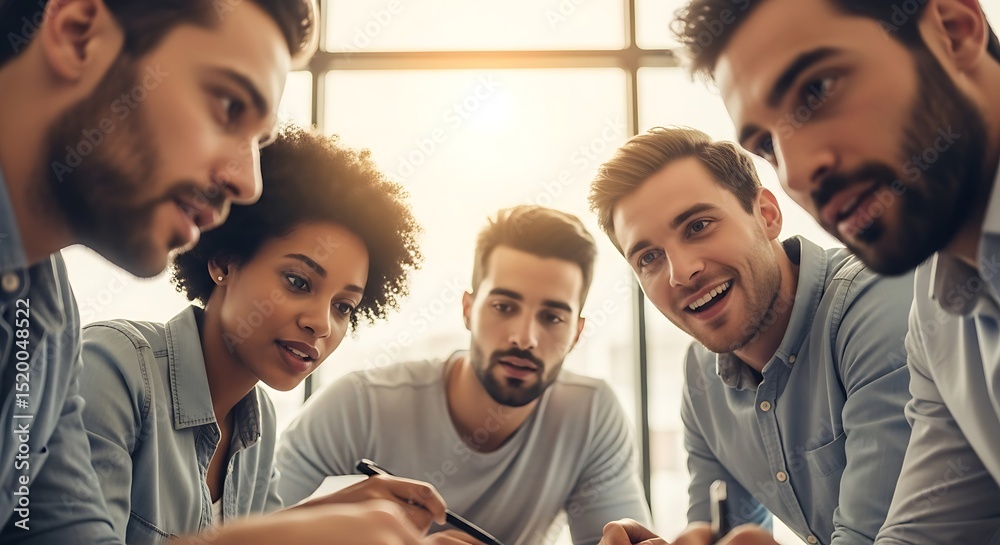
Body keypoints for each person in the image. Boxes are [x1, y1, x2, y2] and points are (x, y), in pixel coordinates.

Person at [0, 1, 428, 543]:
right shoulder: (110, 364)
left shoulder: (50, 319)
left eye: (344, 305)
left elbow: (61, 532)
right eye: (228, 106)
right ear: (81, 34)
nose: (248, 183)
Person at [656, 0, 1000, 543]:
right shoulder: (938, 314)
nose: (797, 170)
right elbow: (924, 534)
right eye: (767, 145)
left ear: (954, 30)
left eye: (816, 91)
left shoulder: (877, 305)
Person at [78, 125, 447, 543]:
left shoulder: (258, 422)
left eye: (343, 306)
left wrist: (344, 509)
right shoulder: (113, 368)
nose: (321, 324)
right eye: (297, 281)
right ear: (224, 262)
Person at [588, 127, 914, 545]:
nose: (681, 272)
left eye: (698, 225)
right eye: (649, 257)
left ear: (767, 214)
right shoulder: (702, 374)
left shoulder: (873, 307)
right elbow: (718, 531)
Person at [274, 205, 653, 545]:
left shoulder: (592, 414)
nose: (525, 338)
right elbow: (256, 534)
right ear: (468, 310)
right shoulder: (355, 406)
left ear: (577, 333)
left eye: (552, 317)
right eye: (504, 307)